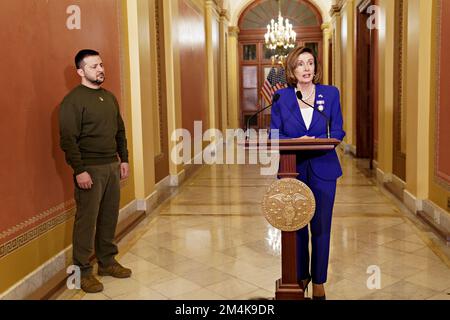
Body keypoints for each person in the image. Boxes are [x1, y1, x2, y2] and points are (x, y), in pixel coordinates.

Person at [270, 46, 345, 300]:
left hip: (324, 168)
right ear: (292, 70)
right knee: (296, 225)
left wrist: (322, 141)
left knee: (321, 227)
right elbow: (274, 134)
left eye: (310, 63)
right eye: (300, 64)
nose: (306, 68)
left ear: (315, 67)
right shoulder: (282, 98)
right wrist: (297, 140)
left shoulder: (330, 93)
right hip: (294, 170)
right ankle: (301, 275)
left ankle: (319, 282)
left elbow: (338, 130)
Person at [59, 49, 132, 293]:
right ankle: (82, 271)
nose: (100, 69)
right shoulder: (73, 101)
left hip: (112, 165)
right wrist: (80, 170)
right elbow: (68, 140)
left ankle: (107, 261)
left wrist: (124, 159)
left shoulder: (109, 98)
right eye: (93, 66)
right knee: (86, 222)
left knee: (109, 216)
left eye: (101, 64)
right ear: (80, 71)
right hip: (89, 168)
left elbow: (119, 131)